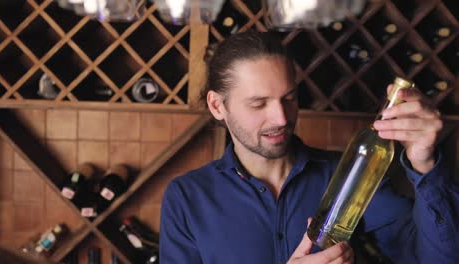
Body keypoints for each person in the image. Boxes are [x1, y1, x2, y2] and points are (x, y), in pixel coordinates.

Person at [159, 31, 458, 263]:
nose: (281, 117)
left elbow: (437, 259)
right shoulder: (187, 198)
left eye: (289, 98)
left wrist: (425, 164)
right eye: (258, 103)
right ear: (217, 105)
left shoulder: (348, 175)